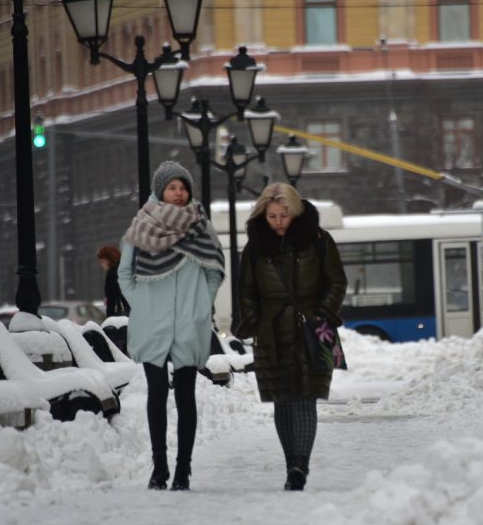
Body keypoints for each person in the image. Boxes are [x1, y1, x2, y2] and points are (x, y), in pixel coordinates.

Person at [118, 161, 225, 491]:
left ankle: (183, 469)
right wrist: (143, 306)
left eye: (183, 188)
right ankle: (159, 466)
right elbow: (125, 273)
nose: (179, 194)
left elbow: (214, 269)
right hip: (152, 323)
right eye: (172, 187)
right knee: (156, 394)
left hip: (188, 323)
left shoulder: (200, 226)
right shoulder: (143, 224)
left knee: (186, 397)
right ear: (160, 190)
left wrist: (200, 307)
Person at [236, 183, 347, 491]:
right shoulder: (256, 247)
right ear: (263, 214)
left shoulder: (318, 240)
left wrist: (323, 312)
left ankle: (300, 464)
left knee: (305, 398)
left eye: (284, 215)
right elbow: (246, 290)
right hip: (271, 331)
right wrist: (255, 322)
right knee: (282, 401)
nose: (279, 222)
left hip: (313, 328)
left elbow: (336, 281)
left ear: (295, 212)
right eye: (272, 216)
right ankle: (292, 466)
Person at [96, 244, 130, 316]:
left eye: (102, 261)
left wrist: (110, 300)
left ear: (109, 260)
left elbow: (114, 296)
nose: (100, 265)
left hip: (119, 313)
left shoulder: (113, 273)